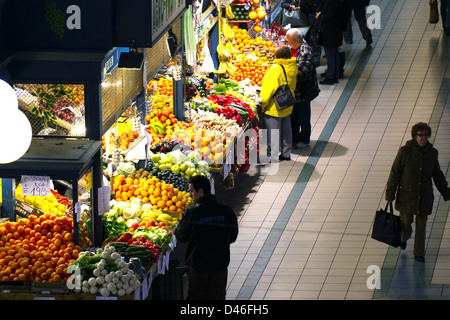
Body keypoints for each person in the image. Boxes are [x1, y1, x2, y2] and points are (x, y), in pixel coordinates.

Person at [385, 122, 450, 262]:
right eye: (420, 135)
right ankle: (403, 238)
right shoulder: (405, 151)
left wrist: (446, 192)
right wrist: (390, 194)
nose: (423, 138)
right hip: (407, 196)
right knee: (406, 224)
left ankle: (419, 253)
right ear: (414, 136)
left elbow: (437, 175)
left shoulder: (432, 153)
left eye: (426, 135)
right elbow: (395, 173)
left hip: (424, 196)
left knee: (421, 226)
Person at [174, 175, 239, 299]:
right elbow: (233, 236)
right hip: (220, 265)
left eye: (191, 191)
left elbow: (181, 236)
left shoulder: (193, 213)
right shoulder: (227, 211)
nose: (190, 194)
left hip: (198, 267)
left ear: (200, 191)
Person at [259, 45, 298, 161]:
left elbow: (268, 89)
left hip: (275, 106)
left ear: (277, 56)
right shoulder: (292, 66)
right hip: (287, 102)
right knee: (286, 130)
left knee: (274, 132)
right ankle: (286, 153)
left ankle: (274, 155)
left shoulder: (275, 69)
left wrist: (263, 104)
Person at [285, 28, 320, 149]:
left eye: (288, 39)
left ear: (294, 40)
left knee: (303, 116)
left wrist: (285, 69)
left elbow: (302, 71)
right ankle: (295, 138)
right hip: (293, 92)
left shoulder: (305, 51)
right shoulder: (291, 48)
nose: (286, 41)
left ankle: (305, 139)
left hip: (302, 91)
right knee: (293, 116)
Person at [316, 0, 348, 85]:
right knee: (335, 54)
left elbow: (329, 17)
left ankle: (330, 76)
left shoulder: (332, 2)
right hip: (336, 30)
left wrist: (320, 15)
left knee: (330, 55)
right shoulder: (339, 2)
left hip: (330, 32)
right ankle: (335, 75)